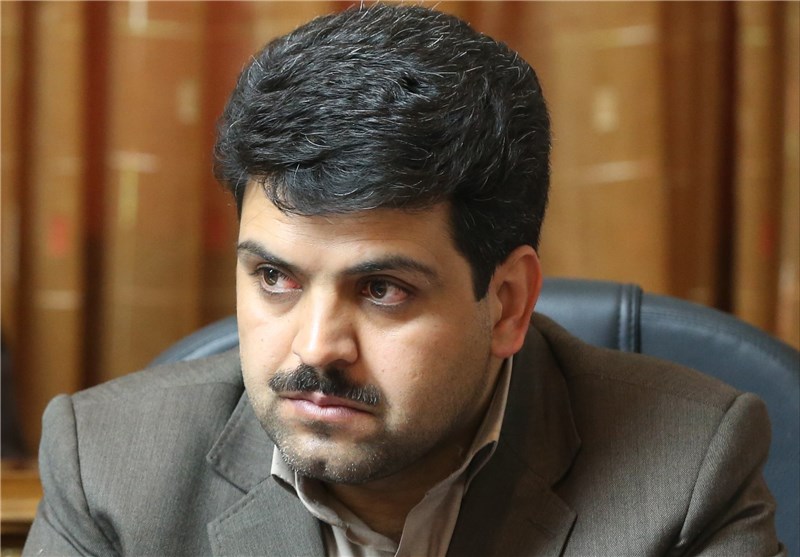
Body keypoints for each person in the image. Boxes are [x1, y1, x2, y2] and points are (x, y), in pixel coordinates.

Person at [25, 4, 783, 556]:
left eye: (382, 289)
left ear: (507, 303)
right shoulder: (111, 468)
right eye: (274, 276)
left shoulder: (687, 471)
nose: (316, 348)